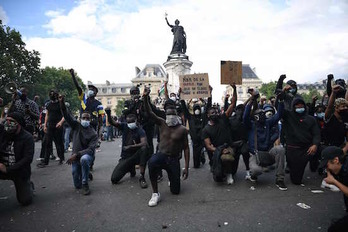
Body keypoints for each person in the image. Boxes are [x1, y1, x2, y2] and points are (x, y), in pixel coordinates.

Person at [143, 86, 189, 207]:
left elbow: (186, 148)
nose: (170, 113)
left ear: (176, 112)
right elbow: (149, 112)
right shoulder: (162, 123)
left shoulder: (183, 130)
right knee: (152, 162)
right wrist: (145, 98)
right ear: (165, 114)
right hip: (161, 155)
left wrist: (186, 167)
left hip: (174, 159)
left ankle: (172, 177)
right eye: (167, 111)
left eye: (172, 110)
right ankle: (155, 193)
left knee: (175, 191)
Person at [243, 90, 286, 190]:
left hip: (267, 152)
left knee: (280, 149)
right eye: (261, 114)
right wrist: (252, 99)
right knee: (256, 170)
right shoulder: (251, 125)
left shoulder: (267, 123)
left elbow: (278, 115)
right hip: (255, 154)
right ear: (256, 117)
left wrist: (281, 100)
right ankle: (253, 175)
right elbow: (245, 116)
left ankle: (280, 179)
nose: (264, 116)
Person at [59, 95, 98, 195]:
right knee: (77, 185)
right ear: (80, 119)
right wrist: (62, 104)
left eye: (87, 118)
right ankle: (86, 172)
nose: (85, 120)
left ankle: (85, 183)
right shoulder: (76, 126)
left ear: (89, 120)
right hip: (75, 157)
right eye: (83, 118)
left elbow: (90, 150)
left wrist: (76, 155)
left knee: (84, 159)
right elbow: (67, 116)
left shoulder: (93, 133)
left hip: (86, 156)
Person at [105, 108, 149, 188]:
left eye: (132, 122)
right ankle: (130, 168)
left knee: (144, 149)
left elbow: (144, 143)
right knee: (114, 179)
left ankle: (142, 177)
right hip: (126, 157)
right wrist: (108, 114)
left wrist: (131, 146)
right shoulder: (124, 126)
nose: (130, 123)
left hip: (136, 156)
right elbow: (113, 122)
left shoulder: (140, 130)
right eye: (128, 122)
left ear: (136, 121)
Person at [202, 84, 237, 184]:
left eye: (216, 112)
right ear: (208, 115)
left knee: (226, 158)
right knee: (218, 177)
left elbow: (233, 104)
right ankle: (220, 171)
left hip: (228, 147)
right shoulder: (206, 129)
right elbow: (208, 146)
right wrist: (220, 150)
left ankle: (229, 174)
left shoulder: (223, 118)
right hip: (217, 150)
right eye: (212, 112)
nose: (215, 113)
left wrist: (234, 89)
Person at [70, 69, 104, 169]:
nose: (90, 91)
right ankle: (80, 161)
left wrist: (99, 132)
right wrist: (73, 76)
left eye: (92, 89)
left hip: (92, 127)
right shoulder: (83, 98)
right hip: (82, 126)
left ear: (96, 93)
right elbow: (78, 87)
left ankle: (90, 163)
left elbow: (100, 119)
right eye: (89, 89)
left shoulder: (99, 104)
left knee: (91, 147)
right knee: (79, 144)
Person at [282, 97, 321, 185]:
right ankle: (292, 169)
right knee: (296, 180)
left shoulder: (311, 119)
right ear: (293, 107)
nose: (300, 107)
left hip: (306, 149)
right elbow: (279, 107)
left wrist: (315, 144)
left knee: (322, 149)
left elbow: (316, 134)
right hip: (292, 149)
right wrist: (281, 96)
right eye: (297, 106)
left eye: (301, 106)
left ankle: (314, 164)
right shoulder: (288, 116)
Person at [0, 112, 34, 205]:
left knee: (25, 200)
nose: (8, 123)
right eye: (6, 120)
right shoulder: (2, 132)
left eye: (11, 121)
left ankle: (29, 186)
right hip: (1, 168)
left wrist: (8, 169)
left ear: (18, 124)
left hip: (19, 171)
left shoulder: (27, 138)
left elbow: (27, 159)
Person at [319, 146, 348, 232]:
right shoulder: (340, 167)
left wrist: (334, 182)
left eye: (327, 165)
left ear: (336, 160)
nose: (327, 169)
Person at [37, 90, 65, 167]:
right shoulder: (48, 105)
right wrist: (45, 125)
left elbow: (65, 115)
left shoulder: (60, 104)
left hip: (58, 126)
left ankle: (61, 158)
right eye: (51, 94)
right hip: (50, 126)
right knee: (47, 143)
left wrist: (60, 122)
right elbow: (47, 115)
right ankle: (46, 161)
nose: (52, 96)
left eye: (53, 94)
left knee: (59, 143)